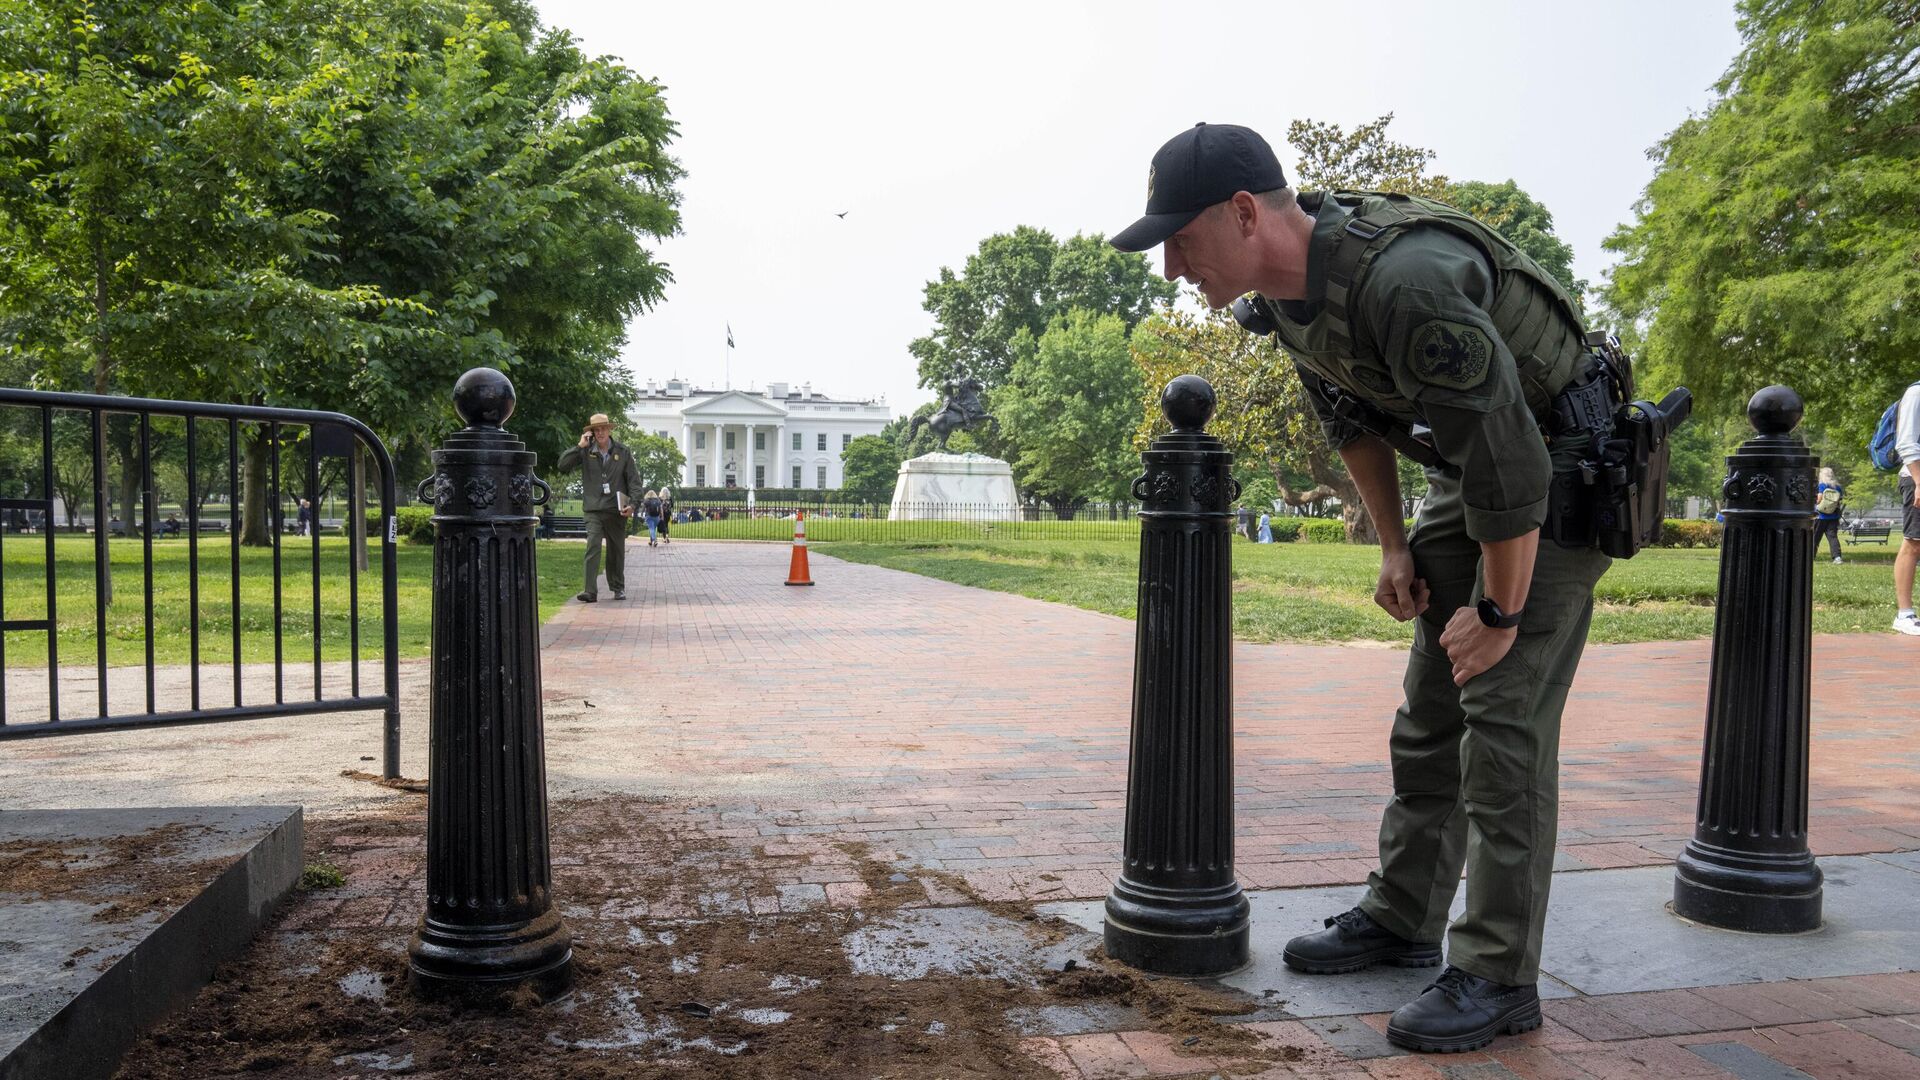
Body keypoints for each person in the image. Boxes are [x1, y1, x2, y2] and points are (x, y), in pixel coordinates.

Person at [1112, 123, 1613, 1053]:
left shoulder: (1408, 282)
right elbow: (1349, 411)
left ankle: (1500, 975)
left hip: (1561, 477)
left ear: (1245, 212)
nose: (1173, 268)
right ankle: (1405, 915)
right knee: (1430, 715)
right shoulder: (1283, 299)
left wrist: (1499, 611)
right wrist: (1393, 544)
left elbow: (1511, 461)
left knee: (1500, 722)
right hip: (1472, 473)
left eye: (1180, 240)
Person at [556, 413, 640, 602]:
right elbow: (562, 465)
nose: (600, 432)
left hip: (616, 509)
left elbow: (634, 482)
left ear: (610, 430)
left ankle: (618, 587)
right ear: (591, 432)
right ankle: (590, 590)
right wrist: (579, 447)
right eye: (596, 429)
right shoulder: (585, 451)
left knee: (616, 550)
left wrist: (633, 505)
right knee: (593, 545)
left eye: (603, 428)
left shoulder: (623, 452)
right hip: (593, 509)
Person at [1891, 383, 1920, 635]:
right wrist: (1919, 480)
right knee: (1913, 542)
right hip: (1916, 477)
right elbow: (1906, 442)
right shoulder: (1916, 392)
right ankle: (1904, 614)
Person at [1813, 467, 1844, 564]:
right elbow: (1839, 501)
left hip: (1820, 516)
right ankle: (1837, 557)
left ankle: (1810, 556)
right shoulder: (1838, 487)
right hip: (1833, 517)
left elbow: (1818, 499)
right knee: (1833, 537)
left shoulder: (1822, 485)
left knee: (1814, 537)